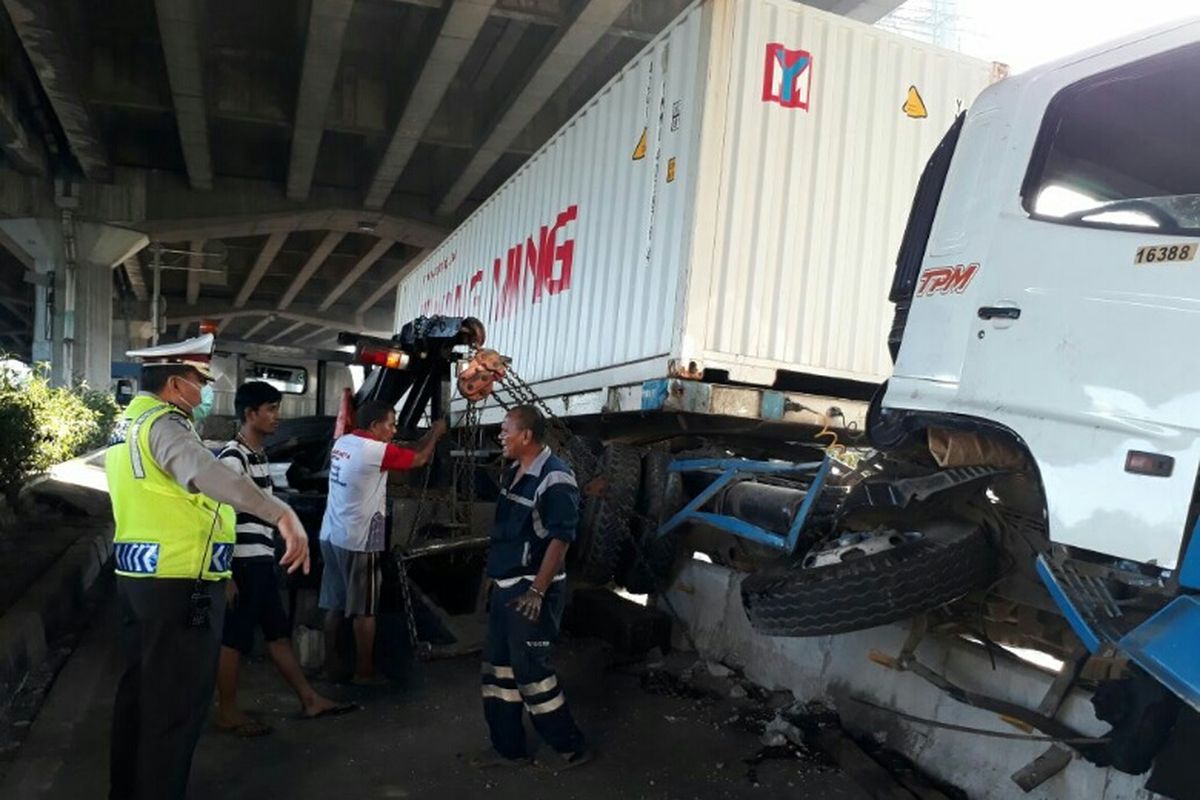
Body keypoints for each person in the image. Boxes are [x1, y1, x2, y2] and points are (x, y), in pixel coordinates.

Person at [105, 334, 310, 800]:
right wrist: (280, 513)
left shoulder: (128, 424)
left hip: (143, 582)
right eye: (200, 381)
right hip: (182, 587)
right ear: (176, 384)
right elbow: (208, 473)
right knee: (175, 706)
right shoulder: (164, 425)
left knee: (140, 697)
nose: (205, 391)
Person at [215, 381, 356, 736]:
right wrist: (225, 572)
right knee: (234, 640)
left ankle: (309, 700)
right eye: (271, 409)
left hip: (260, 561)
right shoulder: (233, 458)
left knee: (277, 634)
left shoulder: (259, 455)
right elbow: (216, 514)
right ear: (250, 414)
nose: (278, 417)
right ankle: (227, 712)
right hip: (243, 563)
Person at [473, 405, 591, 771]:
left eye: (506, 430)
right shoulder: (514, 472)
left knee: (532, 674)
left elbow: (561, 539)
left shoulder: (555, 478)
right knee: (499, 671)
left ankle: (571, 747)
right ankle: (509, 749)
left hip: (531, 592)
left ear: (526, 435)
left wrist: (537, 592)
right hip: (509, 586)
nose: (500, 436)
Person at [319, 401, 446, 684]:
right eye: (390, 423)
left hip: (331, 534)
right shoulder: (374, 451)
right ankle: (364, 673)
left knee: (335, 606)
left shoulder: (345, 441)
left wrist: (423, 438)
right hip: (359, 540)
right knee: (365, 611)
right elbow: (419, 459)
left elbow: (405, 450)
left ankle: (330, 664)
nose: (394, 429)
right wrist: (436, 433)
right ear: (375, 426)